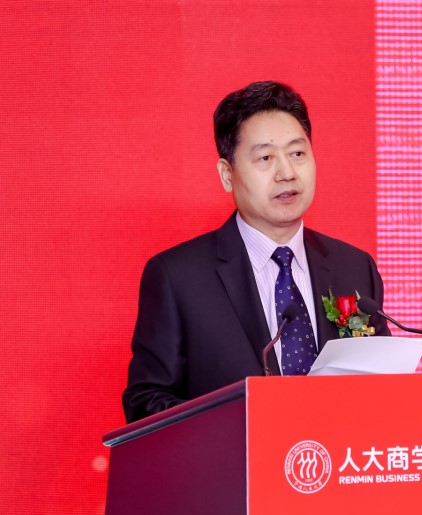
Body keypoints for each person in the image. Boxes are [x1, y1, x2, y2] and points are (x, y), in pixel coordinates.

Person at [122, 81, 389, 423]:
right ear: (227, 175)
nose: (287, 173)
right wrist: (242, 427)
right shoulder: (178, 278)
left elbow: (382, 384)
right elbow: (146, 402)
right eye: (265, 158)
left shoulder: (354, 267)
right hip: (231, 456)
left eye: (297, 154)